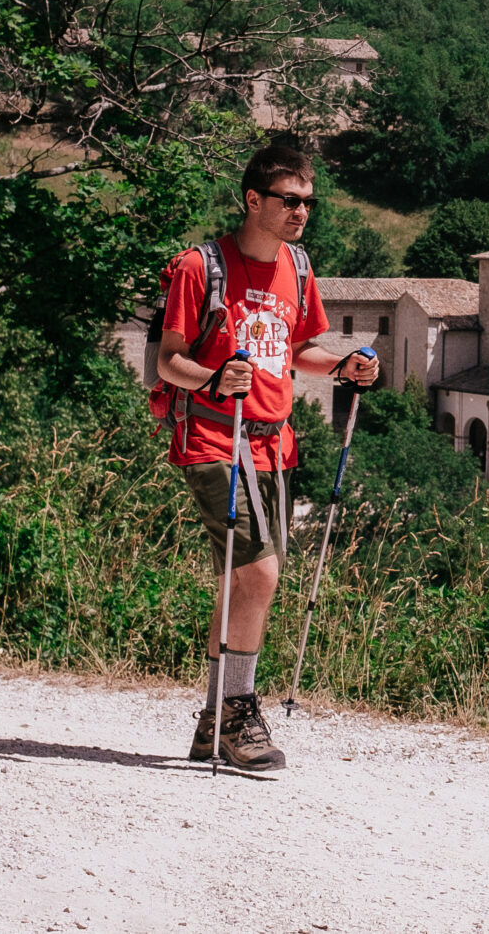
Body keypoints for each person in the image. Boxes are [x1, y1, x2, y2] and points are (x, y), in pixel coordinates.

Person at [153, 138, 378, 770]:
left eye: (308, 201)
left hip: (273, 442)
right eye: (289, 199)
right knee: (259, 572)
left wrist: (344, 364)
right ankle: (238, 715)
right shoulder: (202, 267)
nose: (302, 211)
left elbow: (300, 350)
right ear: (253, 200)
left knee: (241, 580)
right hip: (213, 436)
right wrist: (214, 378)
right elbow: (170, 361)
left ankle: (211, 721)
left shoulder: (298, 268)